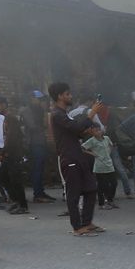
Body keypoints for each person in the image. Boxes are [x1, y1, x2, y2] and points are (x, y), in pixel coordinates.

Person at [49, 82, 101, 236]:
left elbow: (76, 132)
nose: (70, 96)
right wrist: (91, 114)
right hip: (69, 157)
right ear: (60, 96)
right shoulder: (56, 114)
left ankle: (87, 222)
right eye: (68, 94)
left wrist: (87, 131)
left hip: (78, 155)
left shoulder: (64, 114)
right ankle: (77, 227)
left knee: (91, 189)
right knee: (74, 194)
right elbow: (76, 127)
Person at [22, 91, 55, 203]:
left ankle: (41, 192)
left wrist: (45, 111)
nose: (41, 102)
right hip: (33, 143)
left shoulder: (40, 111)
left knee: (41, 169)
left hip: (41, 142)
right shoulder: (26, 111)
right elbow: (32, 126)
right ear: (32, 99)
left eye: (42, 100)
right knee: (37, 168)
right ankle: (37, 194)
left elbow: (45, 125)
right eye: (39, 99)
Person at [0, 97, 28, 215]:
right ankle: (16, 201)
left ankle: (22, 205)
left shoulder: (11, 118)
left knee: (16, 180)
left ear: (4, 105)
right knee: (3, 177)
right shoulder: (5, 118)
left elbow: (11, 138)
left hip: (14, 154)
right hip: (9, 153)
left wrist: (2, 152)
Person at [82, 125, 119, 210]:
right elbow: (82, 148)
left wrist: (108, 152)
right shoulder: (92, 141)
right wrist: (93, 154)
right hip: (99, 166)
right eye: (95, 131)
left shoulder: (106, 138)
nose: (98, 132)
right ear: (92, 132)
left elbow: (111, 145)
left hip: (109, 164)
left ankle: (110, 200)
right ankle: (101, 204)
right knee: (102, 185)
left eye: (99, 130)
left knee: (114, 183)